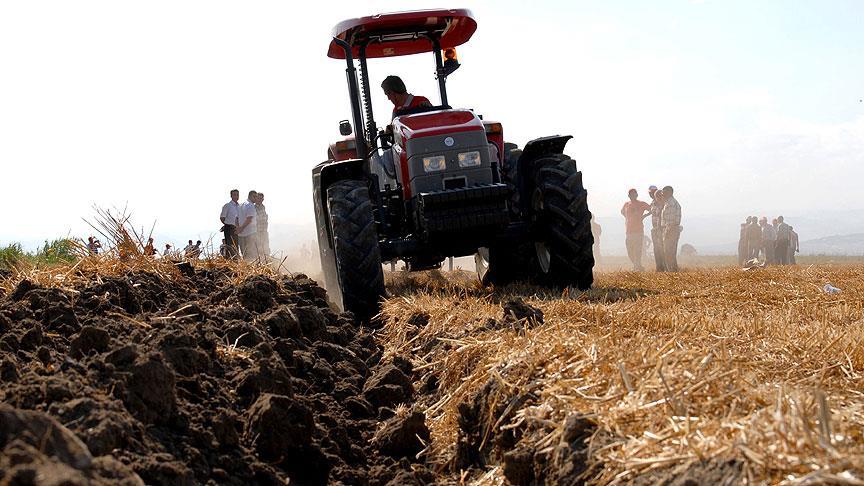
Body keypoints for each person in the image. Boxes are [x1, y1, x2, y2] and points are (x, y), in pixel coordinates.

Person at [620, 188, 651, 271]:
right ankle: (637, 266)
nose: (632, 196)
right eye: (631, 194)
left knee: (637, 250)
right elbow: (622, 212)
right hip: (628, 231)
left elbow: (651, 209)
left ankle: (637, 267)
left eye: (634, 194)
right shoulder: (626, 204)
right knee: (630, 251)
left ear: (636, 195)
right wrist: (627, 218)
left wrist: (644, 216)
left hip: (638, 231)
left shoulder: (641, 203)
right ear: (629, 195)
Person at [660, 186, 682, 272]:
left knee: (669, 251)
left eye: (664, 193)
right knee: (670, 251)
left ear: (669, 193)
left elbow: (671, 221)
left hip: (671, 230)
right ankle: (673, 270)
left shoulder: (671, 204)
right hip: (670, 230)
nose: (662, 194)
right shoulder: (668, 203)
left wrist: (667, 231)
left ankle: (671, 270)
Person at [648, 185, 666, 271]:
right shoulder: (652, 203)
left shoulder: (662, 202)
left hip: (661, 228)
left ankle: (665, 267)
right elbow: (651, 211)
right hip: (655, 228)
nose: (651, 194)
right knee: (656, 249)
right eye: (650, 193)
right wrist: (645, 215)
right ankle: (659, 267)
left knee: (662, 248)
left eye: (653, 192)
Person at [238, 190, 259, 261]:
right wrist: (241, 228)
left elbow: (236, 218)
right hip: (250, 233)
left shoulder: (240, 205)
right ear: (250, 196)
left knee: (244, 253)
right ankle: (249, 266)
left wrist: (238, 228)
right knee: (251, 253)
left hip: (241, 234)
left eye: (256, 197)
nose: (256, 198)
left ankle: (245, 266)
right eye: (254, 197)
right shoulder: (250, 205)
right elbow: (249, 219)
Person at [220, 189, 241, 259]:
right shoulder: (227, 205)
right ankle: (229, 261)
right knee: (229, 246)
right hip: (229, 228)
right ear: (231, 196)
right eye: (234, 195)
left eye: (237, 195)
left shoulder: (240, 206)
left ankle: (236, 261)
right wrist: (227, 225)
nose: (236, 196)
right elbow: (222, 217)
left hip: (237, 229)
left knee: (236, 246)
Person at [255, 192, 271, 260]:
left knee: (266, 247)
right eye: (258, 198)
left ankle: (266, 260)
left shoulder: (263, 207)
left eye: (261, 198)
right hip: (257, 231)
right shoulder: (253, 207)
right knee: (258, 248)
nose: (260, 200)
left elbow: (264, 219)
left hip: (264, 231)